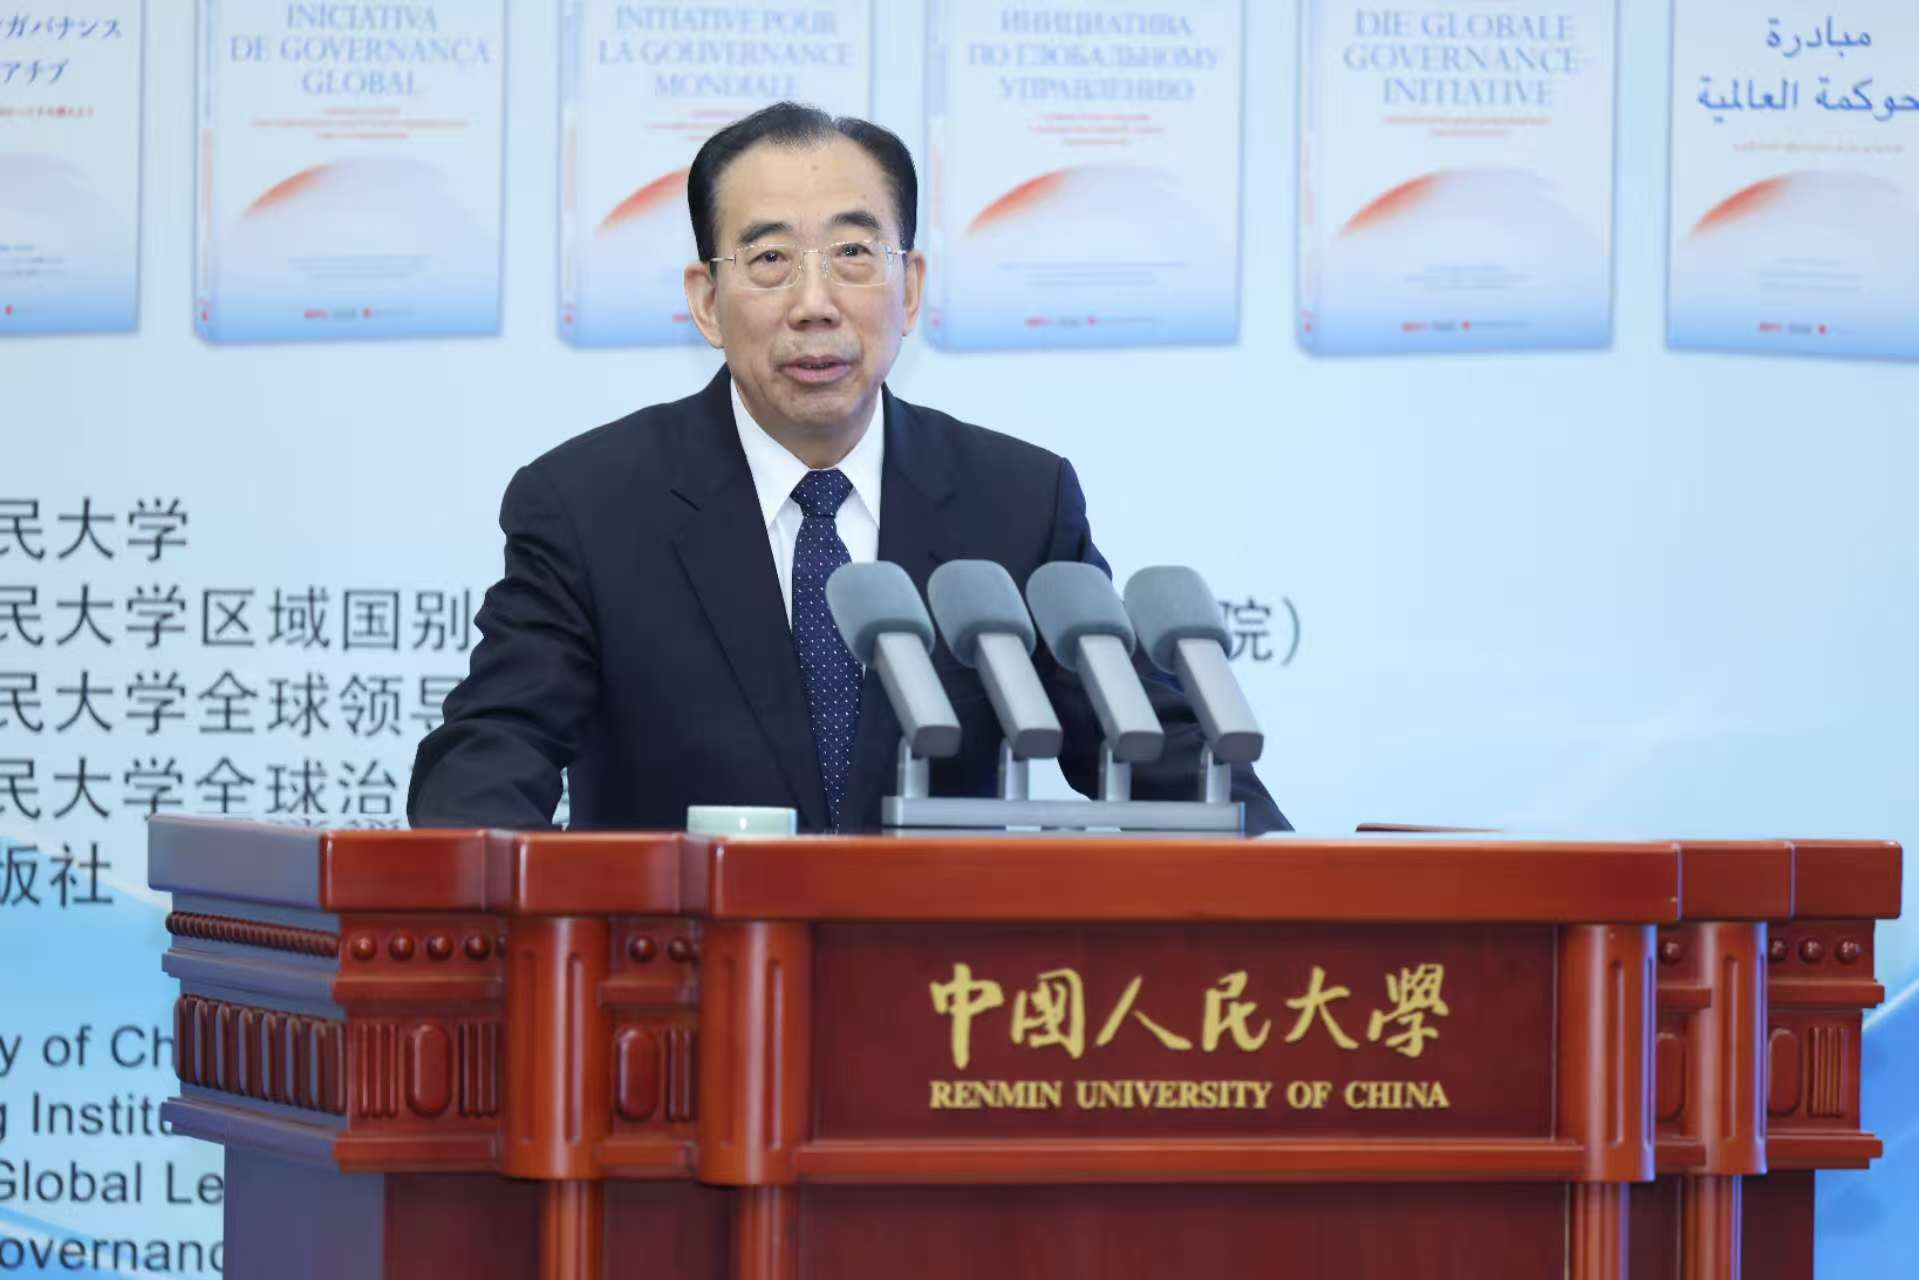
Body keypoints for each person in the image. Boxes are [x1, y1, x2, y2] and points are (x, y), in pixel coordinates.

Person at [407, 102, 1287, 835]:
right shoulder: (590, 505)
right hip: (686, 979)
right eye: (769, 260)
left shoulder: (1016, 501)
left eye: (853, 255)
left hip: (937, 983)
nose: (815, 304)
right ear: (706, 301)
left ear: (909, 288)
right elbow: (493, 754)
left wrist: (1298, 876)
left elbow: (1156, 752)